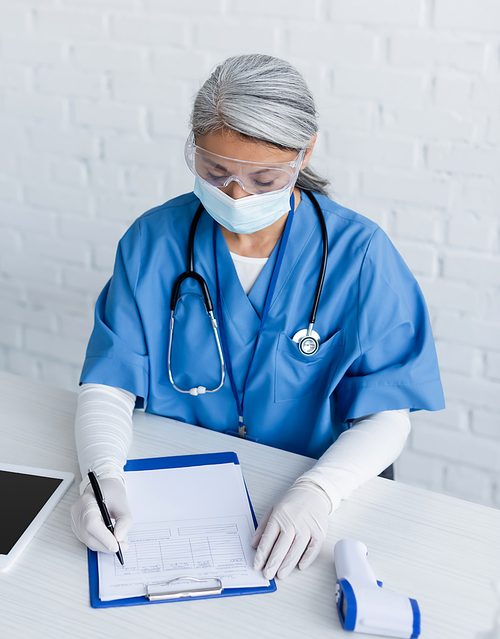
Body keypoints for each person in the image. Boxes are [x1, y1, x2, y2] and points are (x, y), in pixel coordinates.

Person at [71, 54, 445, 581]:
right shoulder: (153, 242)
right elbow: (109, 381)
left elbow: (387, 410)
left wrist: (318, 492)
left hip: (302, 487)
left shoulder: (359, 255)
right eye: (216, 172)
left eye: (264, 178)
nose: (236, 195)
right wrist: (101, 475)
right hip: (177, 486)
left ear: (305, 152)